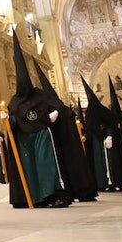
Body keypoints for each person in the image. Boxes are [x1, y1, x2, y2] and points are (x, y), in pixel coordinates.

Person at [5, 31, 71, 208]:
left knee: (45, 164)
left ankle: (51, 194)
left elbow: (57, 105)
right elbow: (12, 117)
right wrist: (9, 120)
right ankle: (34, 197)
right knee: (30, 167)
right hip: (25, 139)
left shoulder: (40, 95)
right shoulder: (15, 101)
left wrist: (55, 112)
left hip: (42, 134)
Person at [32, 58, 97, 203]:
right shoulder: (57, 103)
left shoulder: (53, 104)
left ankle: (79, 190)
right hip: (66, 143)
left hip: (64, 143)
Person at [80, 77, 122, 192]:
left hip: (108, 140)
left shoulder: (104, 112)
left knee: (113, 162)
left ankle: (117, 182)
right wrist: (86, 136)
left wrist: (110, 135)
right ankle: (104, 183)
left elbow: (111, 124)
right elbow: (90, 128)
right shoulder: (90, 115)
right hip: (97, 142)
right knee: (100, 163)